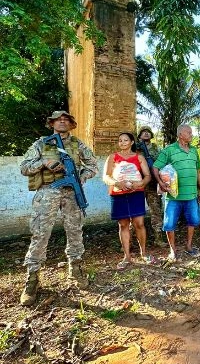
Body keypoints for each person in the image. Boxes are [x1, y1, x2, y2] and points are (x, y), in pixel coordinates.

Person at [17, 110, 99, 306]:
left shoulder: (78, 144)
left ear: (71, 124)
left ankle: (76, 267)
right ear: (51, 123)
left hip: (71, 192)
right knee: (40, 233)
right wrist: (44, 163)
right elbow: (24, 167)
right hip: (47, 192)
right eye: (58, 119)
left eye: (66, 119)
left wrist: (80, 177)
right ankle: (33, 278)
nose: (62, 122)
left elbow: (93, 165)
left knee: (75, 230)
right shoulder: (41, 144)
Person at [153, 124, 200, 260]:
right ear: (180, 134)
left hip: (191, 195)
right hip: (173, 196)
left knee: (192, 221)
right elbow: (156, 167)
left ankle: (189, 246)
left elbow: (198, 171)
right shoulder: (169, 150)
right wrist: (161, 182)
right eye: (189, 132)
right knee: (169, 224)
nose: (191, 135)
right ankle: (172, 250)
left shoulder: (194, 151)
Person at [102, 132, 152, 268]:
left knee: (139, 223)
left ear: (132, 142)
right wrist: (117, 183)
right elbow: (106, 177)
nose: (123, 142)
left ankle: (144, 253)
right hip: (118, 194)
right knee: (123, 224)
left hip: (136, 193)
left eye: (125, 140)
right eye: (120, 140)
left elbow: (147, 176)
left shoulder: (139, 157)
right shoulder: (112, 157)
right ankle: (127, 257)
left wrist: (141, 183)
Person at [136, 127, 163, 248]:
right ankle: (131, 241)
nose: (146, 133)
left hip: (152, 184)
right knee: (135, 212)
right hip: (138, 183)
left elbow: (161, 161)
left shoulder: (156, 148)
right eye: (143, 132)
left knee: (156, 211)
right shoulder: (134, 147)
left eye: (148, 132)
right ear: (139, 135)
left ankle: (158, 238)